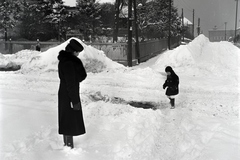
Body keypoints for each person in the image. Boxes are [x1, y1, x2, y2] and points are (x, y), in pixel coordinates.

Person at [57, 39, 87, 148]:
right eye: (77, 52)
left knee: (66, 118)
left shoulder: (64, 60)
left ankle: (67, 144)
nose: (78, 54)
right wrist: (74, 101)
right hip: (69, 94)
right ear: (73, 52)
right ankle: (68, 146)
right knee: (69, 119)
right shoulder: (70, 63)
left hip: (64, 93)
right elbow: (71, 83)